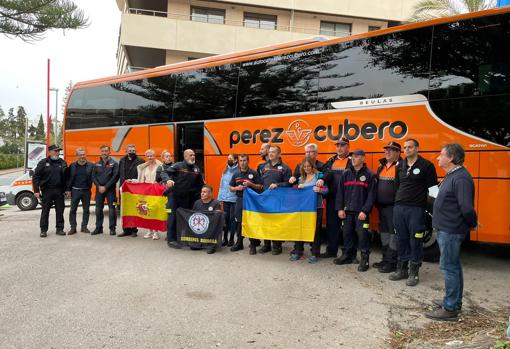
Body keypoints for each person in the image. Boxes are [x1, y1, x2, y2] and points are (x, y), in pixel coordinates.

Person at [425, 144, 477, 321]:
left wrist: (473, 224)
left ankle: (450, 308)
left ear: (451, 158)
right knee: (453, 266)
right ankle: (453, 301)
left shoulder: (461, 178)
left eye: (441, 155)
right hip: (446, 228)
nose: (438, 158)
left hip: (451, 230)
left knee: (449, 268)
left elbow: (466, 208)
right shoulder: (452, 175)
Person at [389, 139, 437, 286]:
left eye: (410, 147)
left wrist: (435, 210)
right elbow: (397, 187)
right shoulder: (400, 165)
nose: (407, 150)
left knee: (415, 240)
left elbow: (433, 190)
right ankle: (401, 269)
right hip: (399, 208)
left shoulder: (427, 165)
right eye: (405, 148)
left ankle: (414, 273)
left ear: (417, 148)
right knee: (401, 238)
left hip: (416, 209)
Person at [334, 149, 377, 271]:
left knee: (362, 236)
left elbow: (371, 195)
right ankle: (348, 255)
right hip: (347, 211)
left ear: (363, 159)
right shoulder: (346, 173)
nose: (353, 158)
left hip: (361, 213)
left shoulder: (370, 174)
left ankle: (364, 259)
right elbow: (340, 193)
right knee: (346, 234)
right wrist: (340, 208)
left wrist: (365, 211)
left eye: (356, 156)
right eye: (352, 156)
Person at [160, 149, 205, 249]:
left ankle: (182, 237)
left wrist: (202, 198)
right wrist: (168, 180)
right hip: (174, 196)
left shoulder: (196, 169)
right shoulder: (178, 165)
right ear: (185, 157)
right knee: (172, 218)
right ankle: (171, 240)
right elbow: (164, 173)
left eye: (194, 155)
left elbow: (200, 185)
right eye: (190, 155)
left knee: (184, 219)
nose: (193, 156)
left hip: (187, 198)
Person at [290, 159, 328, 263]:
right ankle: (298, 251)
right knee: (299, 228)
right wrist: (298, 188)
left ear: (312, 167)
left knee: (315, 230)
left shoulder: (319, 176)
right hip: (303, 208)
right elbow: (296, 194)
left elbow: (326, 190)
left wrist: (320, 190)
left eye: (308, 166)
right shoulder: (301, 178)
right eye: (304, 166)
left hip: (316, 207)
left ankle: (315, 253)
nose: (306, 168)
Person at [373, 142, 402, 273]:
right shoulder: (382, 166)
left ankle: (392, 262)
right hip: (382, 207)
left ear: (398, 153)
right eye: (386, 149)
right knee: (384, 233)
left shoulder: (401, 167)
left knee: (393, 235)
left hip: (393, 207)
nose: (387, 152)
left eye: (392, 150)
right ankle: (385, 259)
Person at [322, 137, 352, 258]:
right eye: (338, 146)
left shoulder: (352, 161)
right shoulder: (331, 161)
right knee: (332, 226)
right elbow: (323, 174)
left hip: (347, 199)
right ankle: (331, 251)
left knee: (348, 228)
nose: (339, 148)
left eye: (342, 145)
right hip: (332, 199)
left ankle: (348, 253)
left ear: (348, 147)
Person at [259, 145, 292, 255]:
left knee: (276, 223)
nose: (270, 154)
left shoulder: (285, 168)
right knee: (266, 222)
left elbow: (289, 184)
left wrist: (277, 185)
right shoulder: (263, 166)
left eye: (273, 152)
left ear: (279, 154)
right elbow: (260, 183)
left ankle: (277, 246)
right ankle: (266, 245)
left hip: (278, 200)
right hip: (265, 199)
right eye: (270, 152)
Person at [229, 154, 263, 254]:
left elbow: (260, 187)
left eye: (244, 160)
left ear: (248, 161)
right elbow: (230, 188)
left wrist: (250, 184)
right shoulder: (236, 174)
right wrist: (236, 188)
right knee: (239, 222)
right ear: (238, 162)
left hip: (251, 201)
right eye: (240, 161)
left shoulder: (254, 173)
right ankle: (239, 243)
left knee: (251, 222)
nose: (242, 163)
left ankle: (253, 245)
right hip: (240, 200)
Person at [32, 144, 68, 238]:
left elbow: (67, 177)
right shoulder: (43, 162)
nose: (58, 153)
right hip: (47, 190)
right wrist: (36, 190)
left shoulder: (62, 162)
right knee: (45, 211)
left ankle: (59, 229)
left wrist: (67, 189)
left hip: (59, 190)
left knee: (60, 210)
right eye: (56, 151)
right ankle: (43, 230)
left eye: (58, 151)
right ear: (50, 152)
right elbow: (36, 177)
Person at [91, 145, 119, 236]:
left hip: (111, 190)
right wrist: (99, 186)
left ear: (109, 152)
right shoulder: (97, 164)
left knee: (112, 209)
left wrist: (105, 187)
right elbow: (93, 176)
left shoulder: (114, 164)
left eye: (106, 151)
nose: (104, 153)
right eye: (102, 151)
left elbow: (115, 177)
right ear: (100, 152)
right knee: (98, 209)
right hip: (99, 190)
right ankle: (98, 228)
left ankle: (112, 228)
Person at [117, 144, 144, 237]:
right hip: (123, 188)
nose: (132, 152)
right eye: (130, 150)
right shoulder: (122, 160)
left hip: (134, 189)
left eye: (133, 150)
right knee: (124, 210)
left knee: (133, 209)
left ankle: (134, 230)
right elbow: (118, 174)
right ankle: (126, 230)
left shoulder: (140, 161)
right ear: (126, 151)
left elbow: (142, 176)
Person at [136, 149, 163, 240]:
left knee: (155, 211)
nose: (150, 157)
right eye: (148, 156)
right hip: (146, 192)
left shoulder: (160, 166)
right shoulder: (143, 167)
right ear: (146, 157)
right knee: (146, 211)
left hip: (156, 192)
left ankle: (156, 232)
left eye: (152, 155)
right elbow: (141, 180)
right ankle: (149, 231)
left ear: (155, 156)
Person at [65, 147, 94, 235]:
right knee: (73, 210)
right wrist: (68, 190)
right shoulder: (72, 166)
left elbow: (94, 177)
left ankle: (84, 227)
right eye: (80, 155)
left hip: (86, 191)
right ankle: (73, 227)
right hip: (75, 191)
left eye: (83, 154)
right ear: (77, 156)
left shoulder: (91, 165)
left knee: (86, 210)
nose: (82, 156)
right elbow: (69, 179)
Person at [192, 185, 222, 254]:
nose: (202, 193)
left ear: (210, 194)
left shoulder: (216, 203)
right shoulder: (197, 203)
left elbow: (218, 219)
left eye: (205, 192)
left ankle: (212, 245)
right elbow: (193, 215)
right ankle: (200, 243)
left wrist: (219, 213)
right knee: (193, 247)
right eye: (202, 192)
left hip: (211, 226)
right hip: (201, 226)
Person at [217, 154, 238, 247]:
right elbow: (222, 185)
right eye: (228, 158)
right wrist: (220, 198)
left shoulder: (238, 171)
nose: (229, 160)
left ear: (236, 160)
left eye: (231, 159)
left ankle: (231, 239)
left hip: (234, 198)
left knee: (233, 219)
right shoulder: (225, 170)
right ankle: (224, 238)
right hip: (225, 198)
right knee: (225, 219)